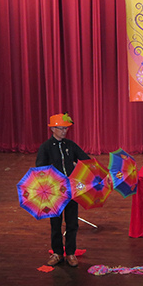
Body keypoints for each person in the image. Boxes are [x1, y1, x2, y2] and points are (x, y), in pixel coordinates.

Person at [36, 113, 90, 267]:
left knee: (72, 223)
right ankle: (57, 253)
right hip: (54, 192)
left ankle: (71, 253)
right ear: (52, 129)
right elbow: (39, 168)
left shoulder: (70, 145)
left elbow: (86, 159)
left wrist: (79, 167)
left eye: (66, 128)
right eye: (61, 128)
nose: (64, 131)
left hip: (71, 190)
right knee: (56, 224)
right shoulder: (45, 147)